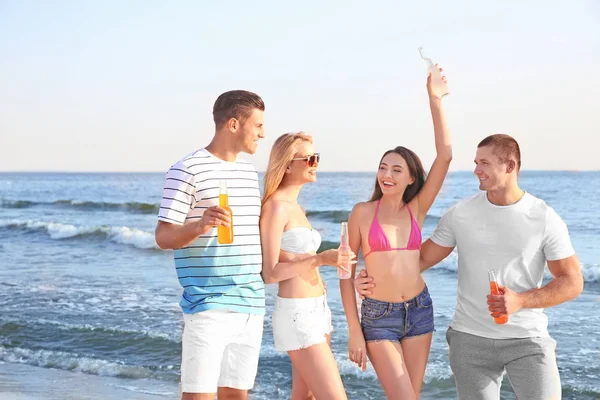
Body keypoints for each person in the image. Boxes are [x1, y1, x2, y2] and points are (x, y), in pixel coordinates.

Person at [355, 134, 584, 400]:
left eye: (484, 163)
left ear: (509, 166)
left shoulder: (544, 217)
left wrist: (521, 300)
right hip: (469, 341)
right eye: (476, 162)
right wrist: (367, 277)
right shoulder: (459, 214)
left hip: (527, 340)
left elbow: (572, 281)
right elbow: (416, 261)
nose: (476, 170)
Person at [340, 69, 452, 400]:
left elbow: (444, 155)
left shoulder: (416, 209)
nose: (387, 174)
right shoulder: (362, 212)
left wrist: (435, 99)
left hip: (419, 311)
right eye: (383, 167)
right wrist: (354, 331)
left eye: (396, 170)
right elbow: (345, 272)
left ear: (410, 179)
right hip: (378, 316)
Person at [155, 90, 266, 400]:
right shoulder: (186, 169)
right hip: (207, 305)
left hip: (251, 304)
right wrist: (200, 225)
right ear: (233, 124)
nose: (263, 133)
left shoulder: (248, 172)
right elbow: (163, 237)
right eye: (257, 125)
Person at [260, 132, 356, 400]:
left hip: (317, 310)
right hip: (297, 314)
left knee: (305, 397)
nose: (316, 163)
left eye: (317, 158)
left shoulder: (296, 207)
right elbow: (269, 273)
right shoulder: (276, 207)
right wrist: (320, 259)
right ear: (288, 164)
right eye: (310, 158)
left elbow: (289, 257)